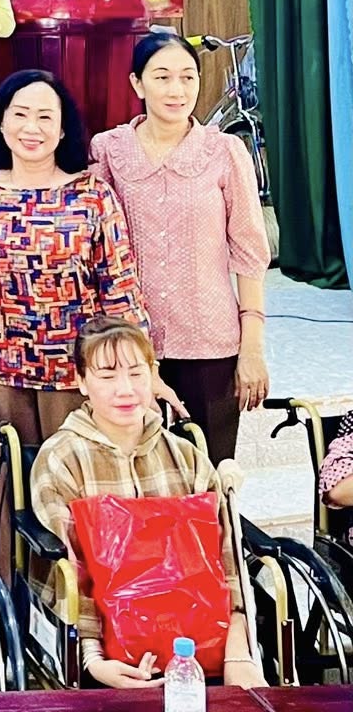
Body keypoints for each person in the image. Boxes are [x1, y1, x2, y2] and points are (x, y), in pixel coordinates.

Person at [0, 69, 150, 579]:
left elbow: (121, 290)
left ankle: (75, 605)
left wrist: (140, 375)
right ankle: (3, 604)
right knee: (6, 495)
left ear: (62, 130)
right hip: (4, 377)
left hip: (79, 378)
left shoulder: (93, 195)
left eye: (45, 116)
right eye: (20, 114)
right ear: (1, 122)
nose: (31, 127)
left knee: (74, 498)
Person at [30, 318, 266, 689]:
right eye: (107, 375)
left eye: (136, 373)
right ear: (81, 381)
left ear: (152, 375)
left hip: (201, 640)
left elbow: (224, 556)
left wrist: (238, 654)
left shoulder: (185, 456)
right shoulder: (62, 459)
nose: (125, 389)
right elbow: (71, 568)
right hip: (109, 648)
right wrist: (93, 659)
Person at [88, 33, 269, 465]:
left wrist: (252, 348)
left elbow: (249, 251)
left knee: (210, 472)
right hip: (129, 342)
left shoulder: (225, 151)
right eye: (162, 77)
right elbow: (98, 247)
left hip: (209, 341)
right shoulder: (109, 150)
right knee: (135, 474)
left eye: (188, 77)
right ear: (137, 83)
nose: (177, 89)